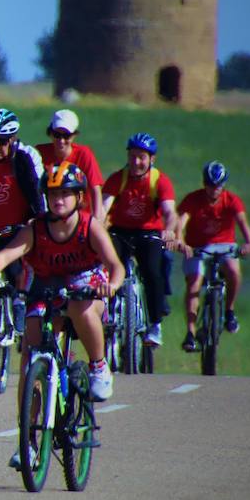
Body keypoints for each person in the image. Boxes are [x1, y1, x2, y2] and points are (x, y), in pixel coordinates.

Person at [0, 163, 123, 465]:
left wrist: (112, 285)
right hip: (46, 288)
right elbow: (6, 254)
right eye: (53, 194)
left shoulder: (89, 226)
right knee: (30, 354)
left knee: (79, 307)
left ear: (79, 197)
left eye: (65, 194)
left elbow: (115, 263)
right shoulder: (36, 228)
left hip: (87, 286)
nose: (58, 200)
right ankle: (28, 441)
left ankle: (98, 365)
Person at [102, 132, 177, 346]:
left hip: (149, 232)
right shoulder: (118, 178)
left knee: (152, 272)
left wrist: (169, 230)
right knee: (109, 268)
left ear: (151, 159)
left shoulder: (160, 181)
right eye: (132, 156)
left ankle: (155, 324)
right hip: (120, 231)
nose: (136, 162)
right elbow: (104, 207)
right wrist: (96, 227)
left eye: (141, 157)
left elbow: (170, 212)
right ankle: (110, 315)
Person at [0, 107, 45, 325]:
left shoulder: (24, 157)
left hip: (15, 229)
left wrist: (38, 219)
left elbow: (36, 191)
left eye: (3, 142)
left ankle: (19, 303)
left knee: (17, 273)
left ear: (12, 139)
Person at [175, 161, 250, 351]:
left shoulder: (231, 200)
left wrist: (249, 243)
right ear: (204, 183)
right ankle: (190, 332)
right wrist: (181, 242)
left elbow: (242, 222)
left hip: (224, 246)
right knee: (194, 282)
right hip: (198, 247)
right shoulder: (193, 199)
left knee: (233, 271)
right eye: (210, 185)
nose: (213, 190)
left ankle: (229, 310)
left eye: (218, 186)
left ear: (223, 185)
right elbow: (181, 221)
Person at [34, 109, 104, 219]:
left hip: (80, 215)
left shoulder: (84, 154)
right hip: (49, 215)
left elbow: (95, 190)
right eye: (57, 135)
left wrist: (97, 220)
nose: (61, 140)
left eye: (66, 136)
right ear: (50, 133)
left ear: (74, 135)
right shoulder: (39, 153)